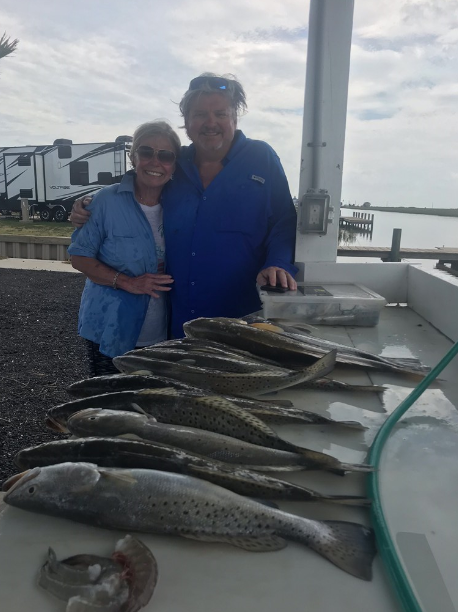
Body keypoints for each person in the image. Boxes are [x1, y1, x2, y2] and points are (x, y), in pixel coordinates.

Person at [71, 73, 298, 339]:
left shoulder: (262, 157)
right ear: (187, 123)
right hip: (177, 320)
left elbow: (284, 221)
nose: (210, 122)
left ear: (234, 118)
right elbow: (140, 182)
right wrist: (90, 203)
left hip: (241, 317)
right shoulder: (174, 164)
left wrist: (279, 263)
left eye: (220, 113)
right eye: (200, 114)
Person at [68, 120, 180, 375]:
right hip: (110, 329)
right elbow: (79, 257)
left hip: (164, 335)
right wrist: (128, 282)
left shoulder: (182, 205)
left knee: (151, 407)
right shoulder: (104, 201)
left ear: (174, 164)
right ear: (133, 157)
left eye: (165, 155)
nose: (155, 161)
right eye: (146, 152)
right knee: (110, 406)